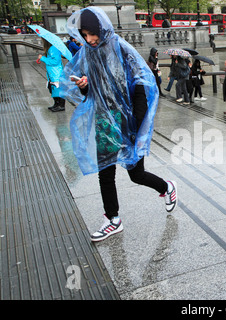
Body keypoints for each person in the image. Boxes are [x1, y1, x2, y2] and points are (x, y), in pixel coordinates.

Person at [60, 7, 177, 242]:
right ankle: (113, 219)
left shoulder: (121, 48)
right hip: (105, 120)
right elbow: (92, 92)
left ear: (100, 28)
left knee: (136, 174)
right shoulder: (89, 53)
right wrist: (84, 86)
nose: (89, 39)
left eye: (91, 33)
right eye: (84, 34)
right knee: (105, 172)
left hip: (128, 120)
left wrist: (138, 125)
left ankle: (167, 187)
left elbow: (141, 83)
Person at [37, 38, 66, 112]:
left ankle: (61, 105)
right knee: (52, 88)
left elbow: (55, 61)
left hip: (56, 72)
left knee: (58, 88)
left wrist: (43, 58)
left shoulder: (53, 48)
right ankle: (57, 104)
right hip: (52, 72)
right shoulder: (51, 48)